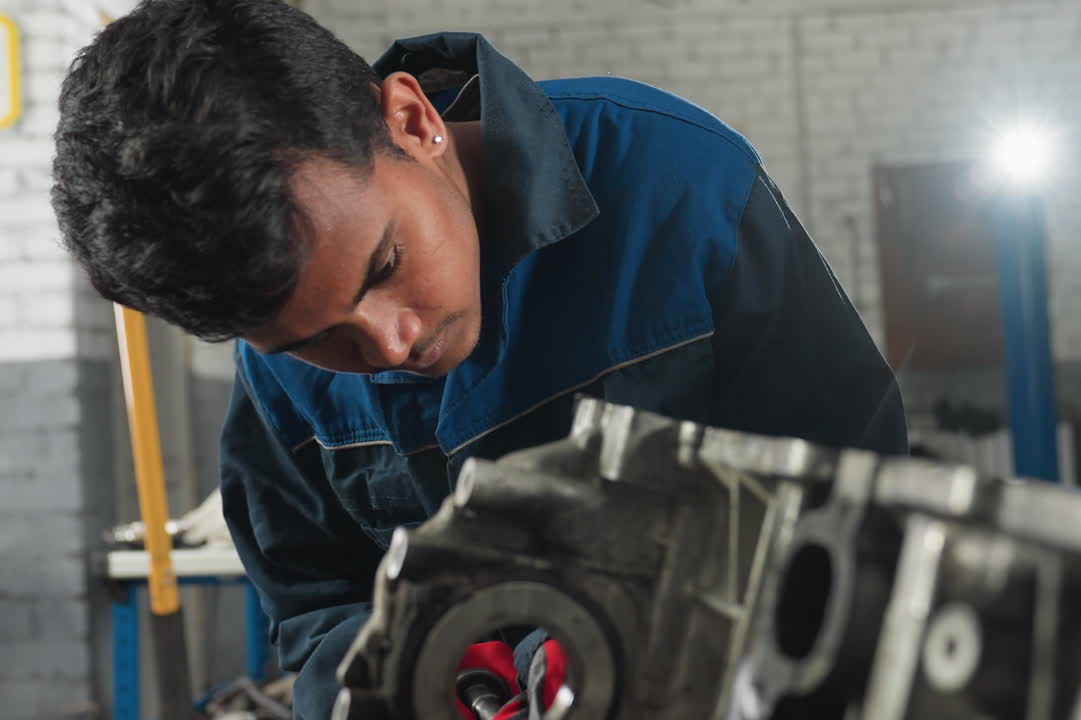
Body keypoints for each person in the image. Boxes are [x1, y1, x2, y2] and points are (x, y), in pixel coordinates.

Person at [51, 0, 907, 716]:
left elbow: (860, 499)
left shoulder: (682, 188)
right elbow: (317, 607)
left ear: (413, 120)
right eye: (316, 339)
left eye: (384, 265)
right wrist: (414, 679)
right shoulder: (277, 371)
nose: (389, 343)